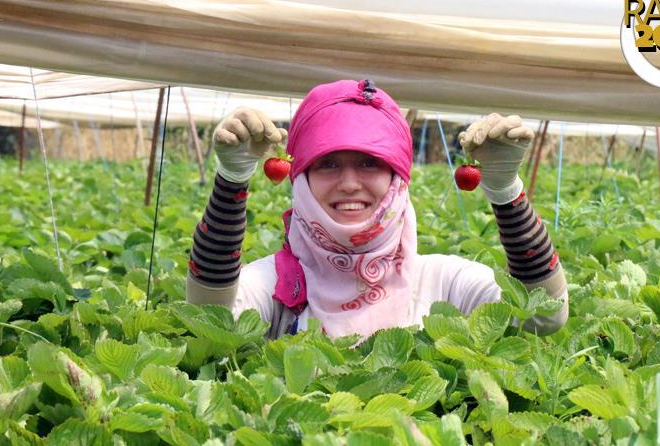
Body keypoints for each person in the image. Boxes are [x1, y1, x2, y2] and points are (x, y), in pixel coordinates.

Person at [186, 79, 567, 340]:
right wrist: (231, 182)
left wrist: (505, 193)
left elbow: (543, 316)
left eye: (369, 163)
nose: (349, 182)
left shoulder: (443, 283)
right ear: (300, 178)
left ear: (397, 178)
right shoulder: (278, 286)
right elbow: (210, 318)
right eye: (327, 164)